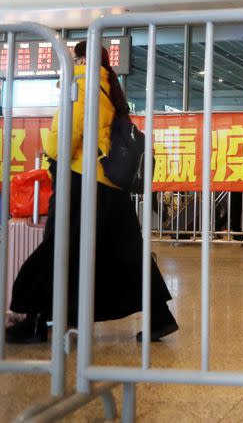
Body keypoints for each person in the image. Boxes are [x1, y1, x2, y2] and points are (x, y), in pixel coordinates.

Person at [5, 41, 178, 343]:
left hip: (81, 179)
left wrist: (53, 152)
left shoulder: (83, 81)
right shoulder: (109, 86)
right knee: (126, 252)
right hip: (110, 184)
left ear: (81, 58)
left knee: (59, 248)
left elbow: (70, 130)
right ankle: (159, 317)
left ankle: (30, 317)